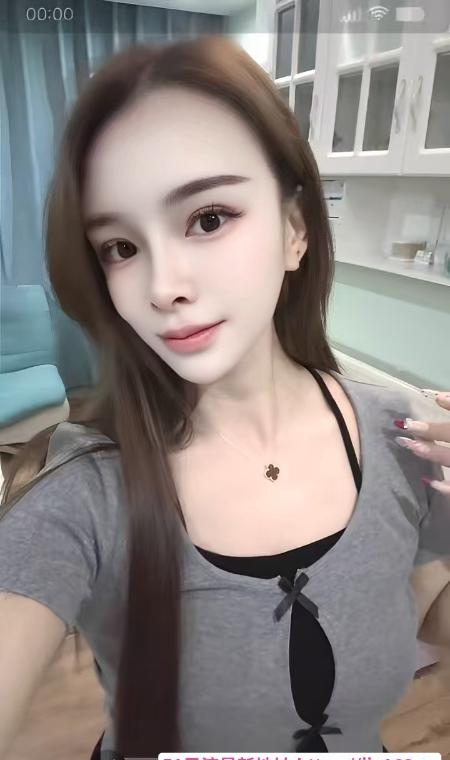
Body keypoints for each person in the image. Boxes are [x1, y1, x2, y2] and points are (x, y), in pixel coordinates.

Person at [0, 35, 449, 760]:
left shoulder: (405, 436)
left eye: (208, 218)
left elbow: (430, 613)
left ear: (296, 231)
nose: (161, 287)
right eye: (120, 247)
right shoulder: (87, 494)